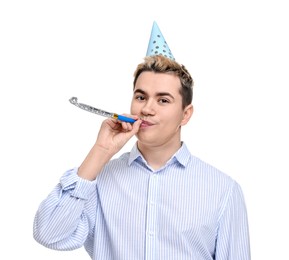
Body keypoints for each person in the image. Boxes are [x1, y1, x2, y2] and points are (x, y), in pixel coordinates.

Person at [33, 22, 251, 260]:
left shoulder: (223, 190)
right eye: (141, 96)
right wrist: (101, 151)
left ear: (185, 114)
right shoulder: (99, 180)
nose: (147, 108)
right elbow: (49, 234)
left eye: (163, 100)